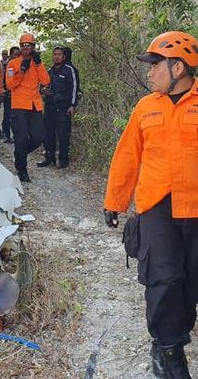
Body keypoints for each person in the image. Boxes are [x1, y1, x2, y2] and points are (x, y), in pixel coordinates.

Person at [104, 31, 198, 379]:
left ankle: (176, 334)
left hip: (195, 207)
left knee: (189, 282)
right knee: (164, 279)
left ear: (178, 67)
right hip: (156, 206)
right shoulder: (146, 107)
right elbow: (128, 157)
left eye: (154, 65)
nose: (149, 72)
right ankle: (167, 350)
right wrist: (114, 201)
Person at [5, 33, 50, 182]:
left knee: (39, 137)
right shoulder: (13, 64)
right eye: (23, 45)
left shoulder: (37, 63)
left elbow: (46, 81)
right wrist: (21, 72)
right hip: (19, 106)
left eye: (29, 45)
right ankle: (22, 169)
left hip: (35, 105)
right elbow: (10, 85)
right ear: (20, 47)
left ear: (33, 47)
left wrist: (38, 64)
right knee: (21, 138)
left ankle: (20, 153)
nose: (26, 48)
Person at [38, 46, 79, 168]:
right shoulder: (49, 71)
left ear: (64, 56)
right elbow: (41, 85)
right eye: (54, 54)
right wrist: (43, 90)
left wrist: (73, 105)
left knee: (63, 134)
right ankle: (49, 157)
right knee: (47, 133)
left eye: (59, 54)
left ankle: (63, 160)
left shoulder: (69, 70)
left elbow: (74, 89)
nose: (56, 56)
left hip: (63, 107)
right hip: (50, 105)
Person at [2, 46, 20, 143]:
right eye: (15, 54)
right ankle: (6, 135)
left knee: (17, 116)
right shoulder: (9, 66)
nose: (17, 56)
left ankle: (16, 135)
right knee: (8, 115)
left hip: (19, 96)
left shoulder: (22, 65)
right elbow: (8, 81)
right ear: (11, 55)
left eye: (18, 55)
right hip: (9, 95)